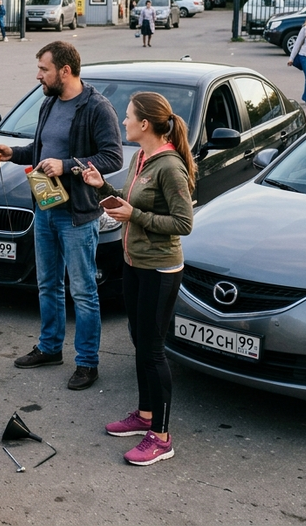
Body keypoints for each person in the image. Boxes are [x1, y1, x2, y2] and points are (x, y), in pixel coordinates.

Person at [0, 41, 122, 390]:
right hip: (46, 209)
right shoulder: (49, 103)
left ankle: (87, 363)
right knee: (47, 285)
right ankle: (50, 348)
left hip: (77, 215)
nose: (39, 76)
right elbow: (40, 149)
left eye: (44, 69)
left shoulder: (97, 108)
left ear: (65, 71)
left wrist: (68, 166)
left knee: (82, 291)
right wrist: (12, 153)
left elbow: (113, 158)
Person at [81, 92, 194, 466]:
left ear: (145, 124)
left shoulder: (170, 166)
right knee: (139, 342)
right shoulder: (141, 157)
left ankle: (161, 436)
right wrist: (103, 188)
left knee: (152, 350)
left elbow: (183, 224)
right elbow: (134, 205)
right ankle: (145, 415)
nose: (124, 122)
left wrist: (136, 218)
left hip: (160, 269)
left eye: (128, 117)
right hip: (135, 263)